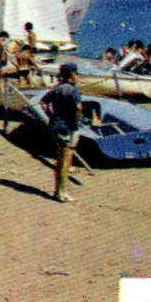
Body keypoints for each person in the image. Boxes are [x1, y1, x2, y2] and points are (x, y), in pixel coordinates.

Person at [42, 62, 83, 203]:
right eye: (76, 73)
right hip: (69, 127)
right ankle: (62, 192)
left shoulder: (57, 88)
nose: (77, 76)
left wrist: (51, 116)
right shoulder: (73, 90)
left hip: (57, 126)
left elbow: (43, 103)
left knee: (60, 160)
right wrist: (77, 121)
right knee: (66, 161)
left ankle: (58, 190)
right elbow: (79, 107)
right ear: (71, 75)